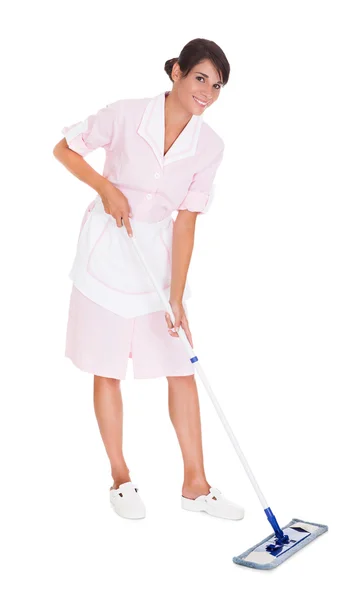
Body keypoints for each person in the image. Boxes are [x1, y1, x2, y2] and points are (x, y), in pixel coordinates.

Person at [53, 38, 244, 521]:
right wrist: (105, 188)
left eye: (217, 86)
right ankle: (121, 478)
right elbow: (64, 148)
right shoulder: (125, 114)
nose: (208, 92)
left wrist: (176, 296)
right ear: (177, 72)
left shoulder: (211, 146)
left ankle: (195, 485)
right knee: (107, 366)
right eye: (200, 78)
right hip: (107, 252)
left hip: (157, 258)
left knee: (182, 367)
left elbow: (187, 221)